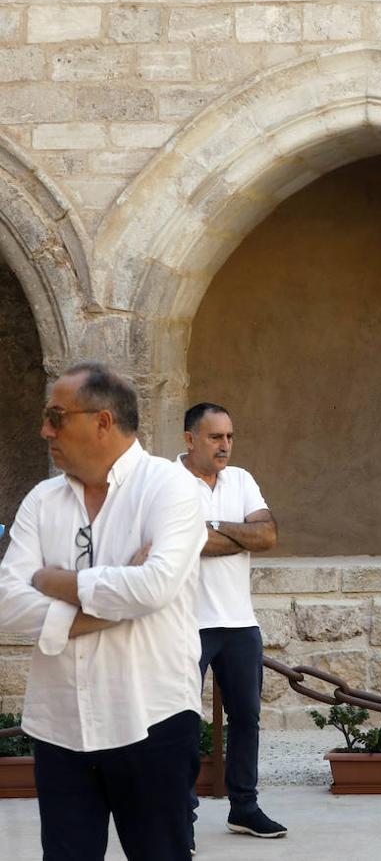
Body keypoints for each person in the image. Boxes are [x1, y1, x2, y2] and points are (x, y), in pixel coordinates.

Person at [0, 362, 205, 860]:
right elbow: (6, 605)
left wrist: (55, 582)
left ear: (103, 421)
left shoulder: (170, 488)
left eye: (56, 415)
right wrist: (111, 608)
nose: (45, 429)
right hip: (61, 727)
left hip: (150, 719)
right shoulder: (42, 500)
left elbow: (154, 584)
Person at [179, 402, 285, 839]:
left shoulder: (240, 479)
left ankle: (244, 807)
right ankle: (178, 817)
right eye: (214, 437)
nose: (225, 446)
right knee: (180, 722)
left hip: (240, 622)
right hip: (185, 623)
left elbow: (268, 535)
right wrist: (237, 535)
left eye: (229, 437)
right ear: (189, 438)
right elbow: (184, 542)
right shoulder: (166, 480)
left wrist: (214, 527)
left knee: (246, 718)